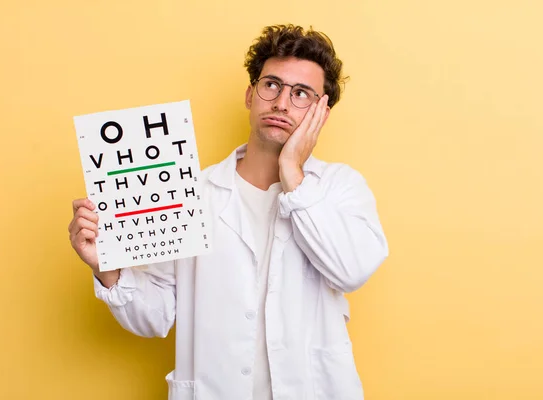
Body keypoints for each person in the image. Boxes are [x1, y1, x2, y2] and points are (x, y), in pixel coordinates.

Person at [68, 24, 389, 400]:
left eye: (301, 94)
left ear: (322, 112)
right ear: (251, 94)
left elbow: (350, 270)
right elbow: (155, 316)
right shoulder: (189, 193)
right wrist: (106, 268)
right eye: (272, 85)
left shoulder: (339, 188)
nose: (282, 103)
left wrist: (292, 173)